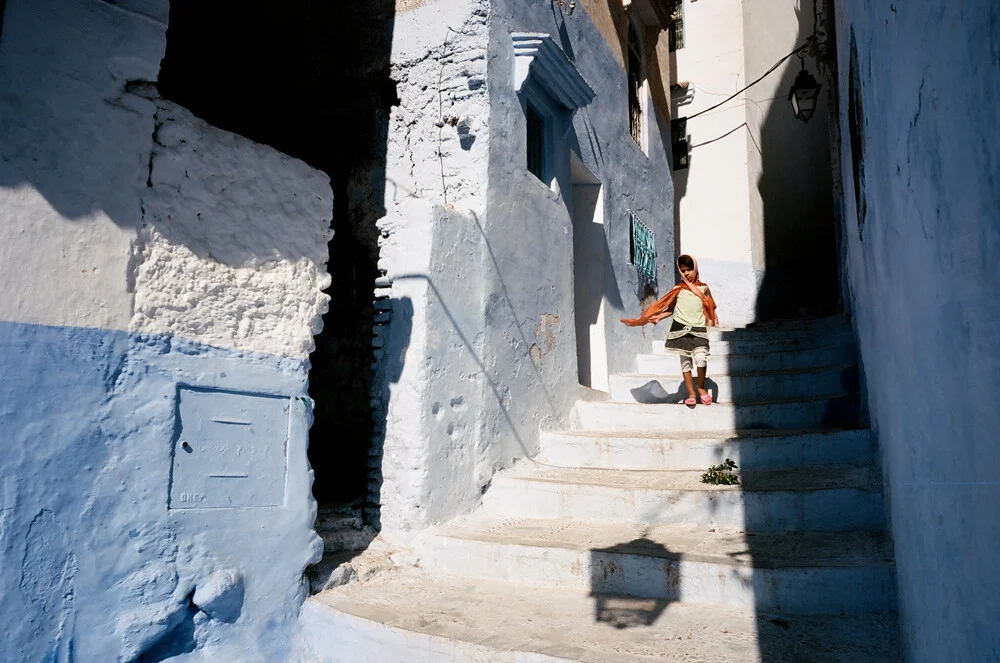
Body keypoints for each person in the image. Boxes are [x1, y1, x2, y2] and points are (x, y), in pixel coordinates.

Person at [621, 255, 719, 406]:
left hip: (698, 329)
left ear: (695, 269)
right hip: (680, 330)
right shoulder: (678, 289)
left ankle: (701, 388)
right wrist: (658, 317)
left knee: (701, 358)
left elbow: (711, 304)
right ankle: (691, 393)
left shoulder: (704, 288)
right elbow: (669, 309)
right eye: (683, 270)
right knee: (685, 363)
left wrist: (709, 309)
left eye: (689, 270)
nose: (686, 273)